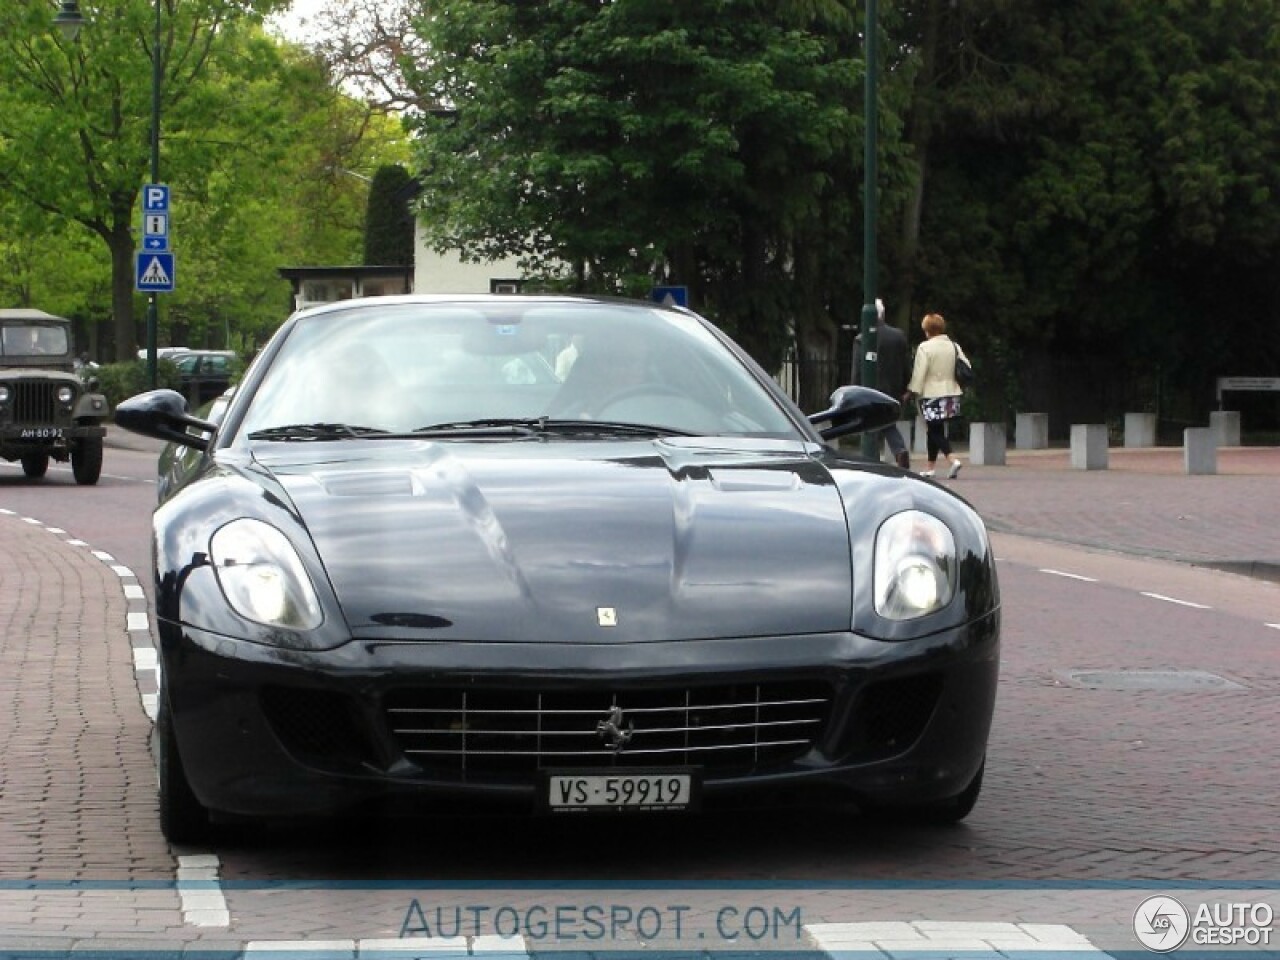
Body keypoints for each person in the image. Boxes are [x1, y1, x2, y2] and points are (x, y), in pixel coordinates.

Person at [905, 311, 969, 479]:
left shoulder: (925, 347)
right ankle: (930, 467)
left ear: (926, 329)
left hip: (931, 394)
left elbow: (919, 373)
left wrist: (911, 391)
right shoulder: (953, 345)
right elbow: (966, 365)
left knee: (934, 430)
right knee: (935, 428)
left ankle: (952, 459)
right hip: (951, 392)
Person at [851, 299, 911, 469]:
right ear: (883, 314)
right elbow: (905, 364)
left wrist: (853, 389)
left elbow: (857, 369)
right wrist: (907, 387)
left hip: (869, 390)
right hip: (893, 389)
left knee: (871, 425)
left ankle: (874, 459)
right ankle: (899, 450)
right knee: (886, 422)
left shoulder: (861, 339)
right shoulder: (898, 336)